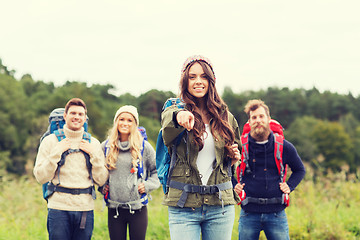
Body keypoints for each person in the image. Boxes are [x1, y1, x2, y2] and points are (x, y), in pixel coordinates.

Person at [161, 55, 241, 240]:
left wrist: (234, 158)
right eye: (192, 77)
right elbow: (167, 126)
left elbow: (233, 158)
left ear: (211, 81)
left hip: (220, 205)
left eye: (204, 76)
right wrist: (179, 115)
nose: (198, 81)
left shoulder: (226, 118)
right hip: (183, 205)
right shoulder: (174, 109)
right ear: (185, 81)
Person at [34, 98, 109, 240]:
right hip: (58, 208)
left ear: (85, 118)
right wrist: (56, 152)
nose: (76, 117)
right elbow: (40, 177)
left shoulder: (93, 143)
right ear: (65, 116)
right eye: (73, 113)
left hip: (84, 209)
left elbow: (102, 179)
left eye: (80, 114)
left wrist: (94, 155)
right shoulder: (50, 141)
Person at [234, 99, 306, 240]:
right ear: (249, 122)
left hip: (276, 213)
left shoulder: (284, 146)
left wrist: (289, 186)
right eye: (254, 117)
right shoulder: (240, 146)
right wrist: (233, 185)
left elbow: (300, 170)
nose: (258, 120)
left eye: (261, 116)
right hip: (248, 212)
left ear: (269, 119)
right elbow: (224, 168)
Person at [101, 105, 160, 240]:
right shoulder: (106, 146)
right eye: (121, 119)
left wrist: (147, 185)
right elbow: (97, 171)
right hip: (114, 209)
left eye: (129, 120)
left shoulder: (144, 147)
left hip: (138, 209)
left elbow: (157, 170)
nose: (125, 123)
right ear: (116, 122)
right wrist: (101, 186)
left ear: (135, 124)